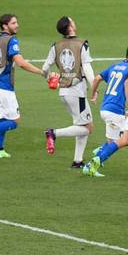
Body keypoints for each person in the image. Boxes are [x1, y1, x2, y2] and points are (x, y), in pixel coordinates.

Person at [42, 16, 95, 167]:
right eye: (72, 21)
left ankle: (78, 161)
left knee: (80, 125)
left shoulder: (56, 45)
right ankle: (53, 133)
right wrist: (94, 88)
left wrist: (49, 77)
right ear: (70, 26)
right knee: (88, 128)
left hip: (64, 92)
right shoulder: (81, 44)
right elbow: (87, 69)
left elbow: (45, 68)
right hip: (77, 92)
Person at [0, 13, 46, 159]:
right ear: (5, 26)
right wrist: (42, 72)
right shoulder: (11, 40)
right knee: (14, 121)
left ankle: (0, 149)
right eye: (13, 23)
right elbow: (21, 63)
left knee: (4, 117)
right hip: (4, 87)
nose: (17, 25)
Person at [82, 45, 128, 177]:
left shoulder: (115, 66)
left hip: (105, 107)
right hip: (115, 110)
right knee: (119, 141)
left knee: (121, 138)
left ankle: (101, 151)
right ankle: (91, 164)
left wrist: (93, 94)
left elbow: (97, 78)